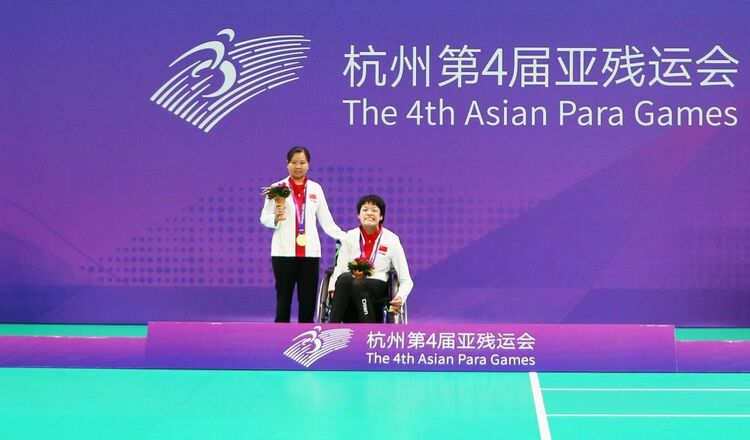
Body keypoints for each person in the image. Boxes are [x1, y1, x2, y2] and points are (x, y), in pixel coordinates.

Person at [260, 146, 344, 322]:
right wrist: (275, 218)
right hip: (283, 252)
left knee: (308, 299)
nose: (298, 166)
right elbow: (264, 217)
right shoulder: (277, 188)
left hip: (310, 253)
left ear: (308, 165)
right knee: (283, 298)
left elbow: (326, 221)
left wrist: (346, 237)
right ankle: (280, 332)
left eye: (302, 163)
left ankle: (306, 332)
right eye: (294, 162)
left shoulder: (315, 189)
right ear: (287, 164)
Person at [329, 194, 413, 323]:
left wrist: (401, 296)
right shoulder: (350, 236)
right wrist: (332, 287)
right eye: (365, 210)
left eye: (374, 210)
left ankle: (369, 328)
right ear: (358, 215)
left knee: (357, 284)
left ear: (381, 216)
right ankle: (332, 327)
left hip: (377, 285)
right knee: (345, 278)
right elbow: (340, 267)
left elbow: (406, 279)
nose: (369, 213)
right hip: (351, 283)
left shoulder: (391, 239)